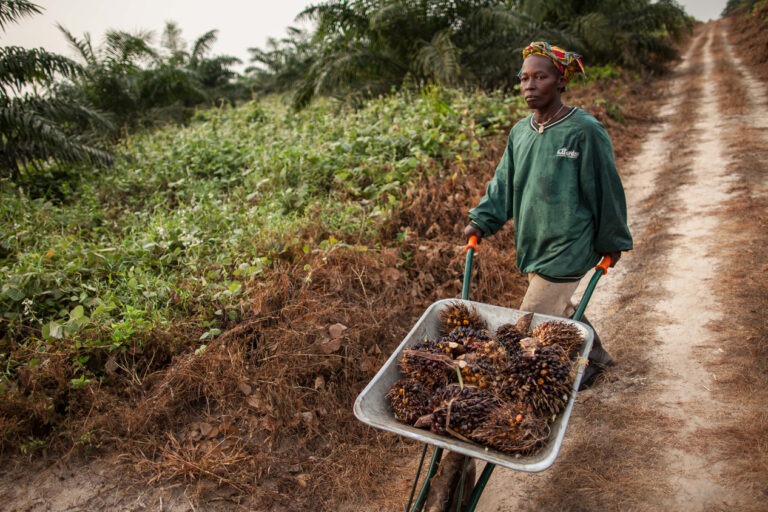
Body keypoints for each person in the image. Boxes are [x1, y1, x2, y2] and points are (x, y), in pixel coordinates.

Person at [464, 41, 633, 389]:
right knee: (562, 305)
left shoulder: (583, 130)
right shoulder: (520, 133)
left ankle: (521, 387)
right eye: (524, 78)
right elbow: (503, 184)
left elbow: (606, 189)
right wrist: (482, 220)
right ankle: (597, 357)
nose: (529, 85)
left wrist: (612, 242)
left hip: (570, 244)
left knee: (533, 319)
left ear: (560, 81)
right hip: (533, 243)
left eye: (540, 77)